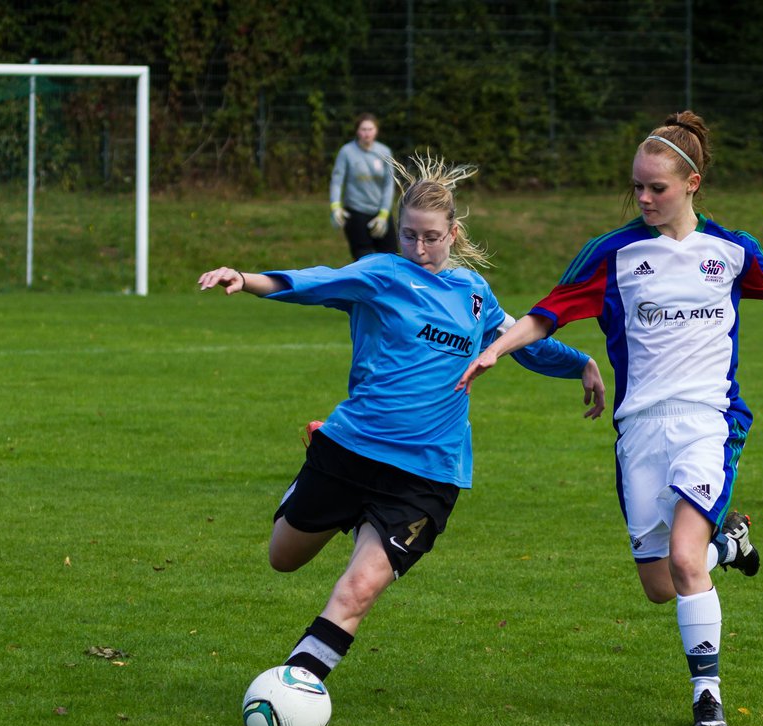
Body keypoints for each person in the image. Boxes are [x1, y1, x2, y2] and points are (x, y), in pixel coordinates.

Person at [457, 111, 763, 726]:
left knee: (685, 562)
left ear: (692, 182)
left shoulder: (732, 250)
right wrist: (496, 349)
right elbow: (545, 314)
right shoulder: (613, 254)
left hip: (708, 420)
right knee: (661, 584)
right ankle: (729, 542)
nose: (643, 198)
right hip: (639, 430)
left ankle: (707, 695)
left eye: (656, 187)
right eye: (636, 187)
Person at [197, 153, 606, 690]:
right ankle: (315, 472)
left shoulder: (474, 295)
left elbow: (522, 344)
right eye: (409, 236)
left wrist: (580, 362)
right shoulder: (378, 275)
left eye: (431, 237)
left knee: (358, 588)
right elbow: (311, 281)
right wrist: (245, 278)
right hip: (351, 451)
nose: (418, 249)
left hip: (426, 474)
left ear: (453, 234)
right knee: (283, 558)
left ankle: (293, 690)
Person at [329, 113, 398, 260]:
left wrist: (384, 214)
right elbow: (337, 180)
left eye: (370, 129)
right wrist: (335, 206)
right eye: (363, 129)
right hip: (356, 211)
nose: (367, 133)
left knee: (391, 258)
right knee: (363, 259)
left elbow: (388, 184)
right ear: (357, 131)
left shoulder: (385, 152)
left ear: (376, 131)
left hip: (380, 212)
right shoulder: (346, 152)